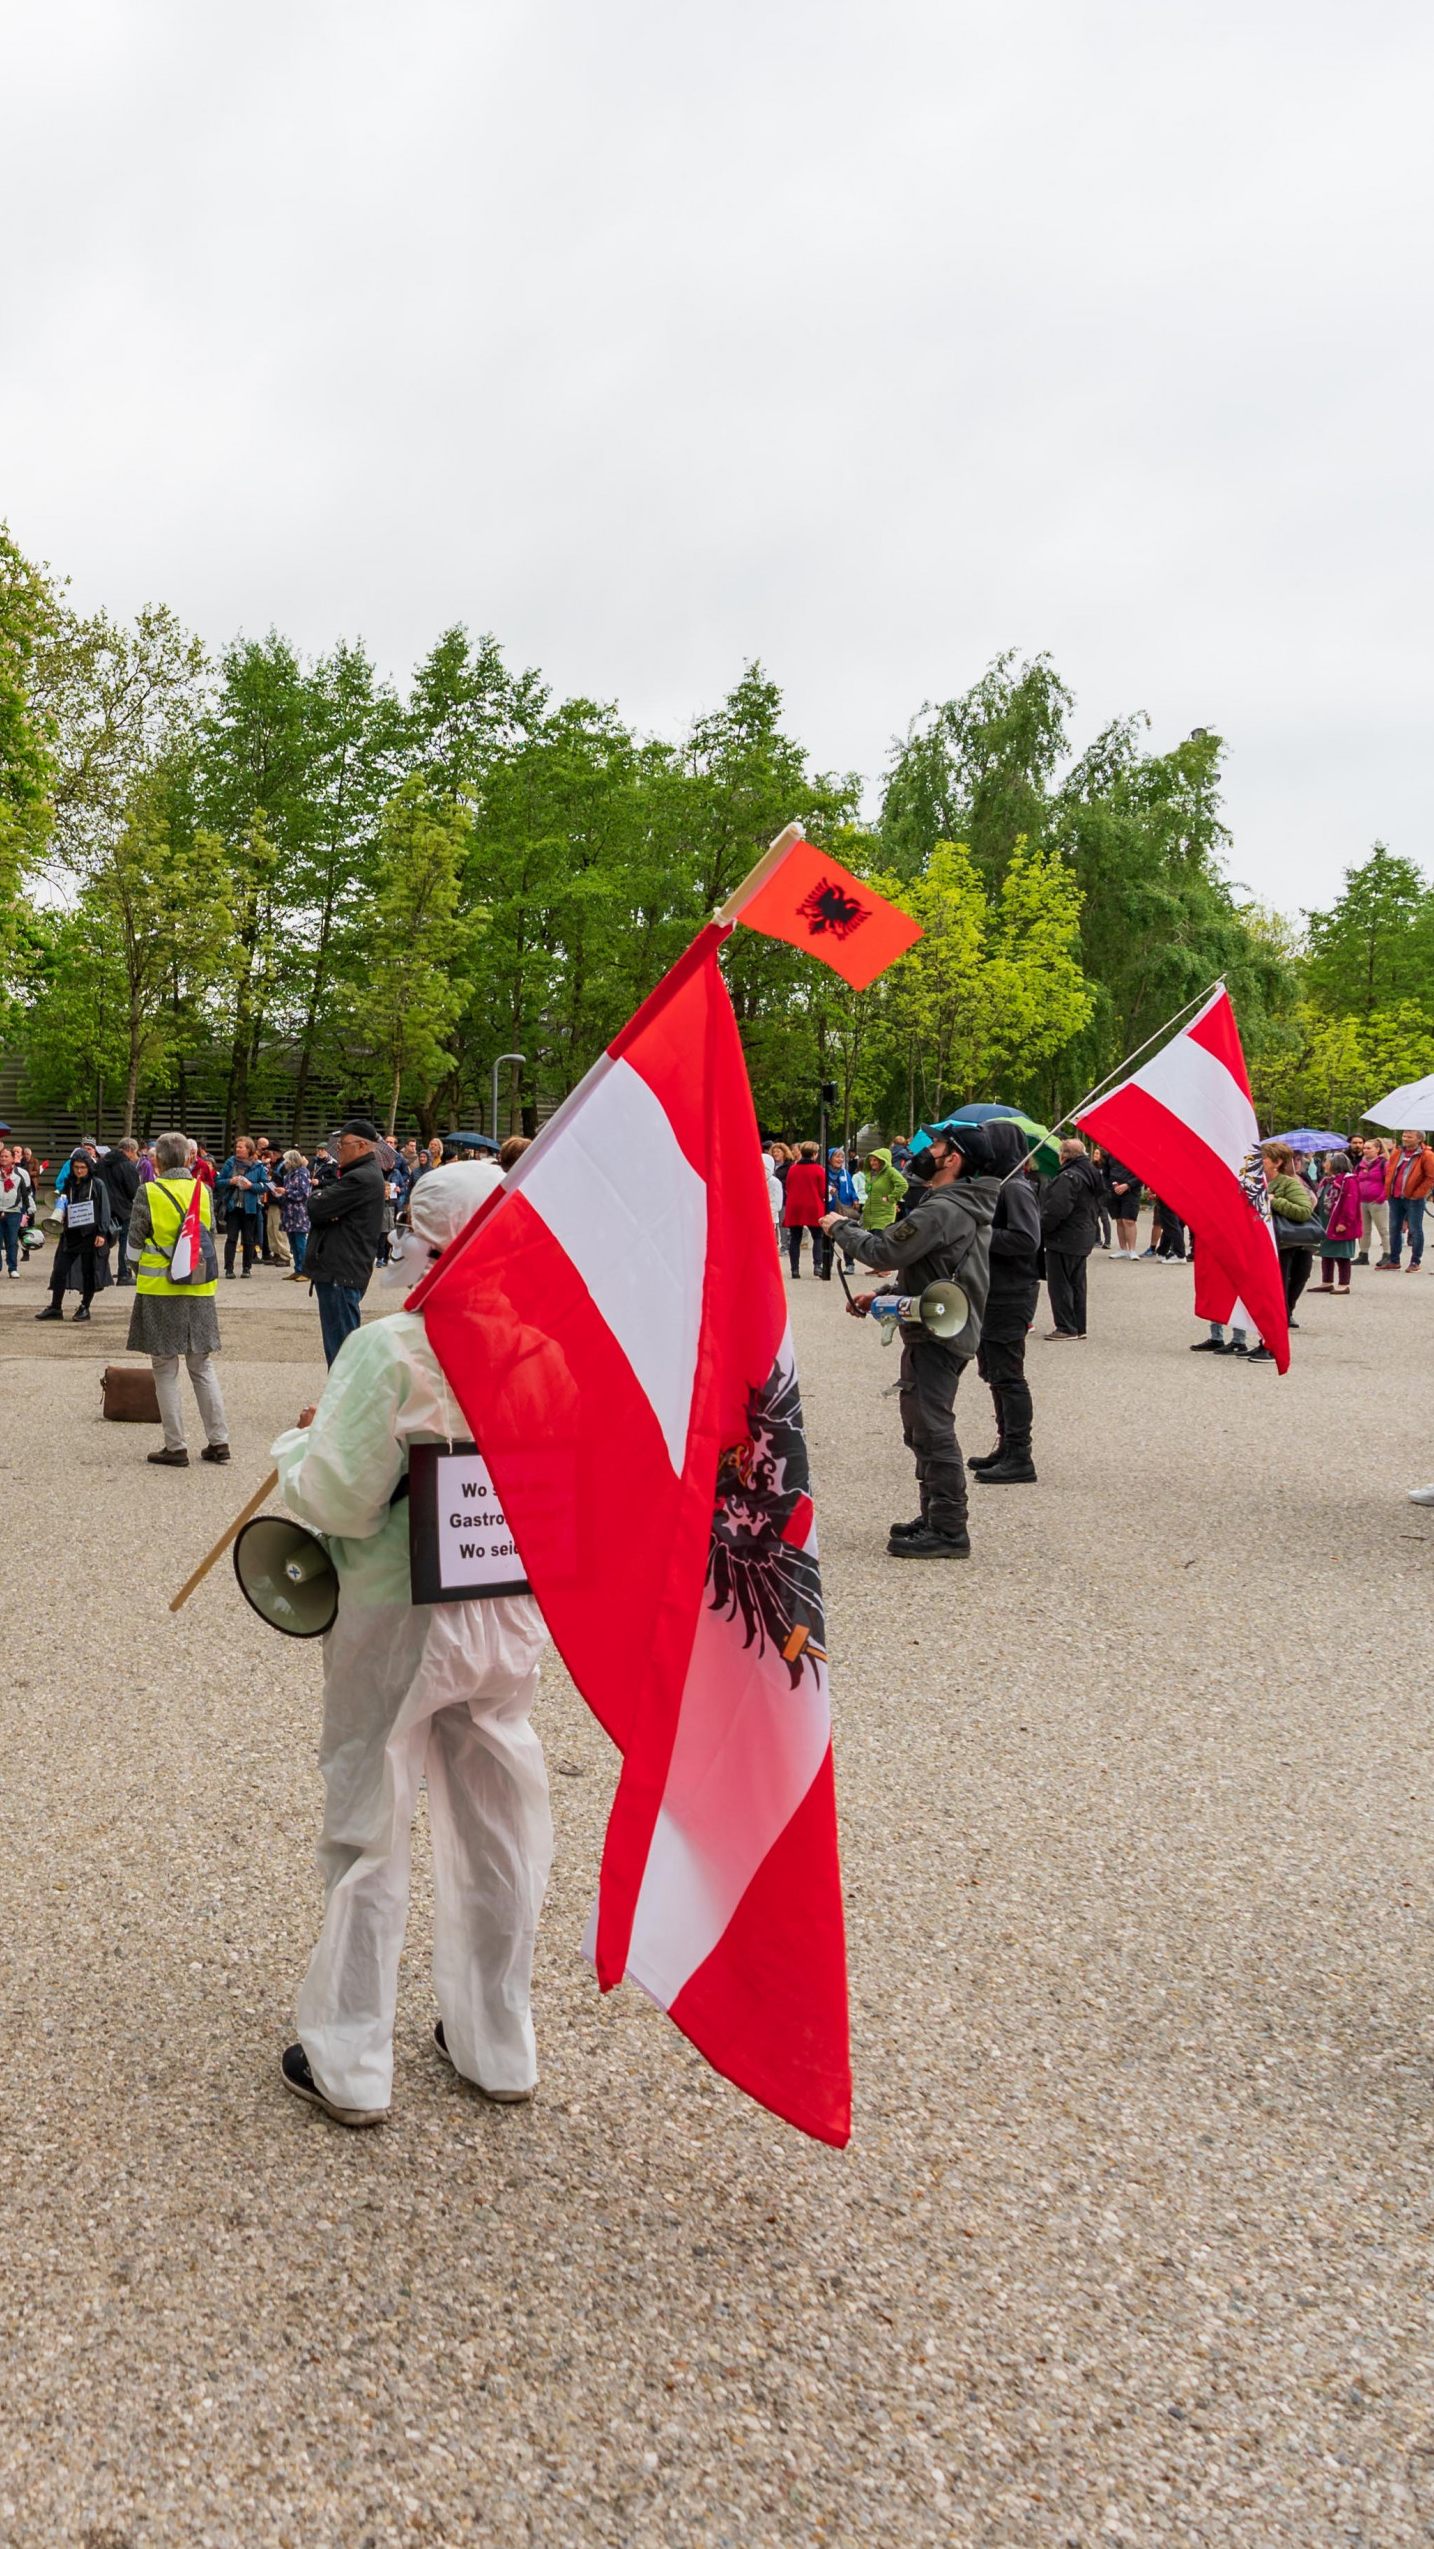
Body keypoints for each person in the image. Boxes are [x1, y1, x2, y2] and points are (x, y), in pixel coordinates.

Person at [272, 1160, 552, 2128]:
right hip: (510, 1599)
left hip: (398, 1610)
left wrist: (295, 1448)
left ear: (425, 1233)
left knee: (369, 1810)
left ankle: (350, 2056)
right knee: (501, 1815)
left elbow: (341, 1493)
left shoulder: (392, 1345)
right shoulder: (550, 1343)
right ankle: (497, 2039)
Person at [823, 1123, 999, 1560]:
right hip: (939, 1324)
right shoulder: (957, 1205)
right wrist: (882, 1298)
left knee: (931, 1426)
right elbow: (929, 1269)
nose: (926, 1150)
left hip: (938, 1333)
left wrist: (839, 1228)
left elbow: (885, 1251)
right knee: (921, 1423)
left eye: (936, 1145)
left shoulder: (942, 1208)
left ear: (952, 1159)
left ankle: (948, 1527)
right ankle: (935, 1515)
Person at [121, 1129, 230, 1467]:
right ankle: (219, 1441)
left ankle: (175, 1445)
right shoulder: (203, 1190)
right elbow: (208, 1236)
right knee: (202, 1365)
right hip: (199, 1287)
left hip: (160, 1289)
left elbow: (135, 1242)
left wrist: (135, 1266)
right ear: (187, 1159)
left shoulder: (148, 1192)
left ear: (157, 1160)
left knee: (165, 1366)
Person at [968, 1120, 1041, 1484]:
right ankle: (1005, 1444)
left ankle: (1019, 1454)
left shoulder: (1015, 1188)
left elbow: (1026, 1239)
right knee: (995, 1373)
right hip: (993, 1291)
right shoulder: (1000, 1184)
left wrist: (982, 1234)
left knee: (1009, 1376)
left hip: (1010, 1294)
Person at [305, 1115, 387, 1365]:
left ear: (363, 1145)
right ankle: (342, 1400)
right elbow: (322, 1208)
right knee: (340, 1348)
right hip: (340, 1270)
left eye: (343, 1144)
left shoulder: (360, 1177)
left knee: (342, 1353)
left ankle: (344, 1403)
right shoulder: (358, 1174)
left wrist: (320, 1199)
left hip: (341, 1271)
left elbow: (316, 1208)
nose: (338, 1149)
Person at [1249, 1142, 1315, 1360]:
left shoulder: (1289, 1183)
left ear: (1277, 1162)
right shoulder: (1254, 1181)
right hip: (1261, 1245)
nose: (1258, 1162)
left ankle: (1272, 1345)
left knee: (1278, 1294)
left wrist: (1275, 1201)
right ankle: (1264, 1341)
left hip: (1284, 1247)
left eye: (1264, 1158)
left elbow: (1304, 1211)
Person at [34, 1149, 114, 1321]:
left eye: (83, 1167)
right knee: (60, 1270)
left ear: (88, 1167)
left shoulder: (97, 1184)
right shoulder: (69, 1184)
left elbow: (105, 1209)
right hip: (70, 1234)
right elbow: (62, 1204)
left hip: (90, 1234)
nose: (79, 1171)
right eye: (76, 1167)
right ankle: (56, 1307)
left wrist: (102, 1232)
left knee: (88, 1272)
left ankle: (85, 1306)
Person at [1040, 1137, 1103, 1338]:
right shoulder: (1090, 1173)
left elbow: (1057, 1209)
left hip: (1064, 1236)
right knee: (1077, 1282)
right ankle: (1078, 1325)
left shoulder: (1068, 1177)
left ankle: (1066, 1326)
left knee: (1060, 1283)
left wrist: (1043, 1228)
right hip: (1083, 1232)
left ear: (1063, 1155)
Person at [1381, 1129, 1434, 1271]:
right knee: (1394, 1228)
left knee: (1415, 1229)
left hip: (1413, 1198)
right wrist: (1388, 1189)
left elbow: (1431, 1177)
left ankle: (1415, 1262)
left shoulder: (1426, 1155)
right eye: (1404, 1135)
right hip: (1395, 1196)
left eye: (1409, 1136)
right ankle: (1394, 1260)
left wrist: (1418, 1193)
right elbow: (1390, 1171)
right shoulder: (1398, 1152)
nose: (1405, 1138)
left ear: (1419, 1139)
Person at [217, 1137, 268, 1278]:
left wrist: (251, 1186)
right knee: (231, 1238)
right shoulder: (230, 1162)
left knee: (248, 1239)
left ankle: (247, 1268)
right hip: (233, 1207)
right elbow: (218, 1182)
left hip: (250, 1208)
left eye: (241, 1147)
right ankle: (229, 1269)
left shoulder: (258, 1166)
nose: (238, 1149)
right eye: (237, 1147)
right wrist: (230, 1181)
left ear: (249, 1149)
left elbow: (265, 1186)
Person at [1313, 1151, 1361, 1293]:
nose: (1324, 1164)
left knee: (1341, 1254)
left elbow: (1350, 1203)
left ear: (1335, 1164)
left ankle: (1344, 1283)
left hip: (1340, 1222)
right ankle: (1326, 1281)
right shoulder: (1326, 1180)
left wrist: (1344, 1222)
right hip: (1325, 1221)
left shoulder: (1348, 1180)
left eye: (1326, 1161)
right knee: (1326, 1253)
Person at [96, 1137, 141, 1285]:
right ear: (129, 1150)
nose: (135, 1156)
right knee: (124, 1242)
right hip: (123, 1210)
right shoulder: (127, 1166)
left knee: (102, 1241)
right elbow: (133, 1190)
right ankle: (124, 1274)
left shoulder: (101, 1163)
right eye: (135, 1153)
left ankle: (101, 1273)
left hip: (103, 1208)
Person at [782, 1142, 828, 1279]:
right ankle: (817, 1266)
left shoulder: (793, 1169)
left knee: (795, 1238)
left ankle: (794, 1269)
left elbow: (788, 1186)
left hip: (795, 1205)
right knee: (818, 1237)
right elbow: (822, 1191)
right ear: (815, 1154)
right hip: (813, 1205)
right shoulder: (819, 1169)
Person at [0, 1146, 34, 1278]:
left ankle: (12, 1268)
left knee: (12, 1241)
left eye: (6, 1156)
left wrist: (29, 1209)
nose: (3, 1158)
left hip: (14, 1212)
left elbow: (26, 1194)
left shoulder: (19, 1175)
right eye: (1, 1156)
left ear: (13, 1158)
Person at [279, 1148, 312, 1278]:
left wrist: (286, 1192)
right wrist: (280, 1193)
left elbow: (304, 1194)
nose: (284, 1163)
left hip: (299, 1213)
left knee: (300, 1243)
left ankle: (305, 1271)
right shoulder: (289, 1175)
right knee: (293, 1243)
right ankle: (298, 1269)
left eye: (286, 1160)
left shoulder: (302, 1173)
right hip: (289, 1213)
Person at [258, 1139, 292, 1268]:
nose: (268, 1157)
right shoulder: (274, 1165)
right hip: (272, 1201)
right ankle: (276, 1253)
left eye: (270, 1153)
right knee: (270, 1229)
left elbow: (286, 1184)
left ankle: (285, 1255)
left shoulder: (284, 1166)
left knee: (279, 1230)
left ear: (276, 1153)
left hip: (279, 1202)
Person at [861, 1147, 907, 1240]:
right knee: (871, 1245)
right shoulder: (872, 1174)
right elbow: (869, 1191)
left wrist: (891, 1198)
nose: (872, 1163)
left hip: (884, 1215)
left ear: (883, 1160)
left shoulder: (890, 1171)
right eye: (870, 1160)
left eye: (875, 1160)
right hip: (870, 1216)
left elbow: (903, 1185)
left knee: (879, 1243)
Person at [1103, 1156, 1141, 1258]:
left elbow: (1142, 1175)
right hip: (1114, 1191)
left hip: (1131, 1192)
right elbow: (1105, 1174)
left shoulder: (1136, 1154)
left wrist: (1128, 1185)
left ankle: (1132, 1250)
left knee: (1128, 1221)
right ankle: (1123, 1249)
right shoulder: (1110, 1155)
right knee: (1119, 1220)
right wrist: (1109, 1186)